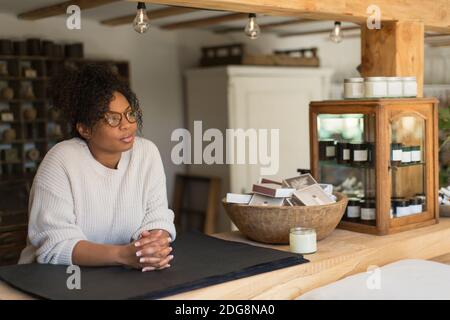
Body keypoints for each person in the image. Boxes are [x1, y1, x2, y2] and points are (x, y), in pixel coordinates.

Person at [18, 64, 176, 272]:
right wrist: (124, 255)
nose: (126, 125)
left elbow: (157, 216)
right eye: (112, 118)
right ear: (84, 129)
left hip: (121, 274)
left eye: (130, 114)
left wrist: (152, 246)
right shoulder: (61, 160)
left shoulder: (147, 153)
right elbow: (55, 245)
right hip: (55, 278)